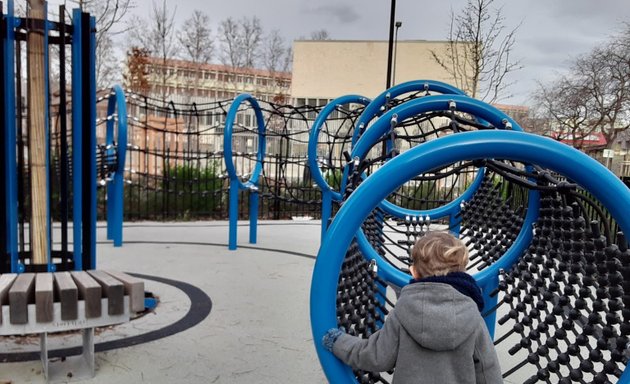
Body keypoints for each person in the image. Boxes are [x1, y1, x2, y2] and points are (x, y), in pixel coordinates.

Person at [322, 231, 503, 384]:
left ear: (414, 272)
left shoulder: (403, 311)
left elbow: (376, 356)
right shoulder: (471, 315)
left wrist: (338, 341)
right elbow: (488, 370)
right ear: (462, 273)